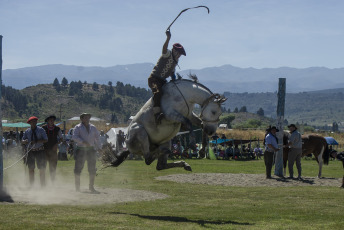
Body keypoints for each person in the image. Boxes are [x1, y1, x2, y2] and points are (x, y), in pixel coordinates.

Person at [148, 30, 186, 123]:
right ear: (175, 51)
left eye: (181, 54)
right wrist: (168, 38)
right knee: (158, 92)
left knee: (170, 92)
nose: (180, 56)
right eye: (179, 53)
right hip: (153, 79)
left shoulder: (176, 61)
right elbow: (164, 48)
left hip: (162, 81)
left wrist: (175, 81)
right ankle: (157, 114)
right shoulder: (168, 54)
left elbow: (172, 72)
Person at [72, 113, 101, 193]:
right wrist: (83, 142)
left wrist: (99, 148)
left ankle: (91, 187)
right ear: (81, 119)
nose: (87, 119)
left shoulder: (93, 127)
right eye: (85, 117)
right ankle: (77, 187)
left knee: (92, 169)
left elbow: (97, 138)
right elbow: (74, 137)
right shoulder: (77, 127)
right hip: (81, 149)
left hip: (91, 150)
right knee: (78, 169)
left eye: (88, 117)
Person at [21, 116, 48, 187]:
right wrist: (24, 141)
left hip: (40, 150)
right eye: (32, 121)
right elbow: (22, 140)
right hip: (30, 151)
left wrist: (36, 141)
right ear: (29, 123)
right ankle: (31, 185)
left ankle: (42, 185)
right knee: (31, 169)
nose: (33, 122)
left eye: (35, 121)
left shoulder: (41, 130)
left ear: (36, 122)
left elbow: (46, 140)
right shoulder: (27, 131)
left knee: (41, 168)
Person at [42, 115, 63, 182]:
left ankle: (52, 182)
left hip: (53, 151)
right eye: (50, 120)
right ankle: (43, 182)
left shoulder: (57, 129)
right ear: (47, 121)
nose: (52, 121)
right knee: (43, 167)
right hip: (44, 150)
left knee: (53, 167)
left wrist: (56, 144)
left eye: (53, 120)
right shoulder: (43, 128)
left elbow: (61, 139)